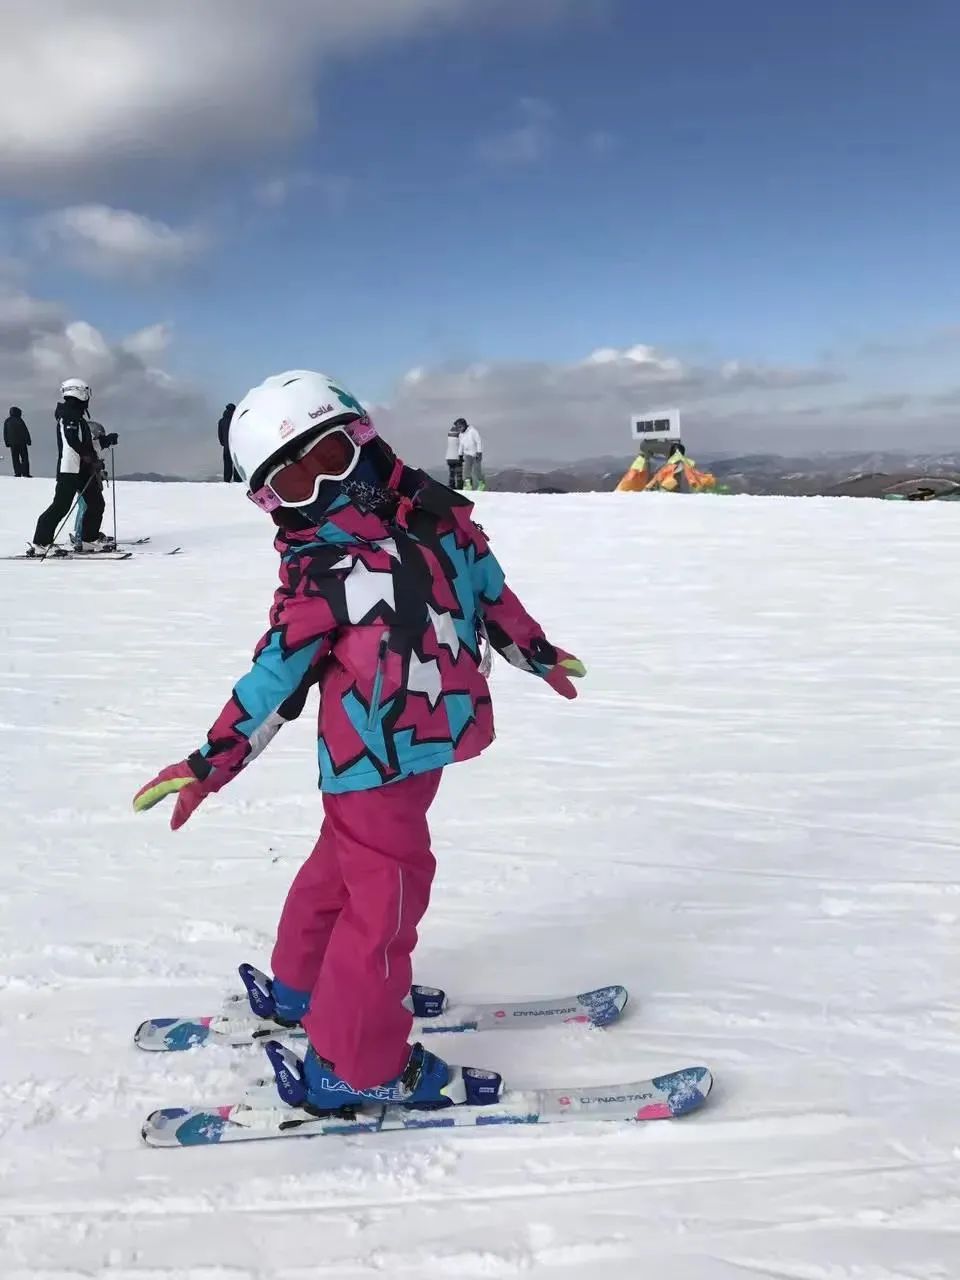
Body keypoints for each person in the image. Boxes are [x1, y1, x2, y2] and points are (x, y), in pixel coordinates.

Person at [132, 370, 585, 1112]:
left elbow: (490, 591)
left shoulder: (439, 521)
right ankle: (355, 1062)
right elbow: (272, 681)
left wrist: (535, 651)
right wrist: (208, 764)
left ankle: (300, 990)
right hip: (367, 762)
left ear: (365, 440)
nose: (329, 486)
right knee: (387, 901)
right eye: (298, 479)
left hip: (423, 747)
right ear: (273, 501)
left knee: (340, 871)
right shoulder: (320, 573)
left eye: (334, 455)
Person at [29, 379, 118, 556]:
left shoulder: (78, 417)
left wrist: (105, 442)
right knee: (61, 506)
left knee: (96, 503)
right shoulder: (68, 415)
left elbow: (86, 444)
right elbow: (72, 441)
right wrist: (89, 458)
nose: (88, 397)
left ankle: (88, 539)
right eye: (86, 392)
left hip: (83, 469)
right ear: (79, 392)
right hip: (69, 469)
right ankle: (41, 542)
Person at [70, 419, 117, 548]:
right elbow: (85, 464)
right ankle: (80, 535)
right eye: (98, 436)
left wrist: (99, 472)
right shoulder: (84, 447)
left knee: (88, 506)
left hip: (87, 481)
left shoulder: (90, 448)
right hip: (81, 481)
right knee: (86, 507)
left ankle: (88, 533)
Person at [457, 417, 485, 491]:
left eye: (460, 427)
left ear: (464, 425)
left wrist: (479, 452)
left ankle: (481, 483)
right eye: (458, 427)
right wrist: (460, 454)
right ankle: (468, 485)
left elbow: (478, 441)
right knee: (466, 470)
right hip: (467, 454)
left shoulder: (472, 431)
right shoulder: (461, 435)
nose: (459, 429)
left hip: (476, 454)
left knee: (476, 471)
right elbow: (461, 445)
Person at [3, 407, 31, 477]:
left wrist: (6, 442)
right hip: (22, 442)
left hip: (13, 444)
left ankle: (17, 473)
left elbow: (5, 433)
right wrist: (28, 440)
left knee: (15, 459)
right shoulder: (20, 420)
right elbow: (25, 431)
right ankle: (25, 473)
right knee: (24, 458)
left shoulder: (7, 421)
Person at [219, 403, 239, 481]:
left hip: (226, 447)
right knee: (236, 465)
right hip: (235, 446)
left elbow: (220, 435)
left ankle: (227, 480)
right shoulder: (235, 420)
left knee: (227, 465)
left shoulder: (221, 421)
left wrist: (224, 443)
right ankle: (237, 481)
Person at [445, 420, 464, 488]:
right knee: (459, 474)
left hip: (449, 457)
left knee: (451, 474)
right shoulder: (460, 434)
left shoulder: (450, 432)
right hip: (457, 457)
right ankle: (460, 487)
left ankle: (451, 486)